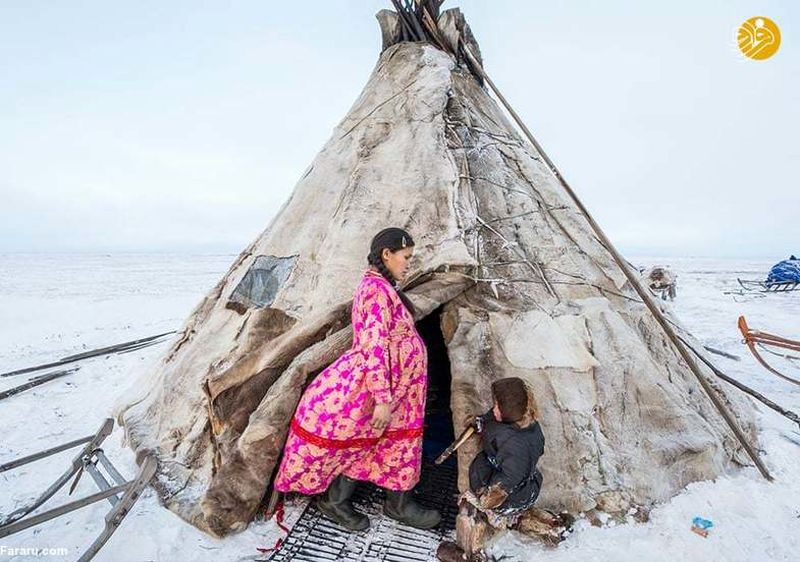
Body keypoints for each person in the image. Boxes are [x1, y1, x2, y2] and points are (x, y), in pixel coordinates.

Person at [273, 227, 441, 531]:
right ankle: (337, 501)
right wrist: (382, 399)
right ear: (386, 255)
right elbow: (373, 346)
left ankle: (397, 504)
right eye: (406, 257)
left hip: (400, 387)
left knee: (386, 443)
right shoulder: (375, 290)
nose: (409, 263)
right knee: (362, 441)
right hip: (382, 385)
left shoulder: (383, 287)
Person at [438, 377, 549, 562]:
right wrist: (482, 422)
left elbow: (512, 477)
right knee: (481, 465)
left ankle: (472, 550)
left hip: (512, 494)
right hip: (501, 468)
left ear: (509, 410)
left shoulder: (517, 445)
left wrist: (491, 497)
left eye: (498, 406)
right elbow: (493, 418)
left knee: (476, 494)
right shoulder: (511, 418)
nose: (494, 409)